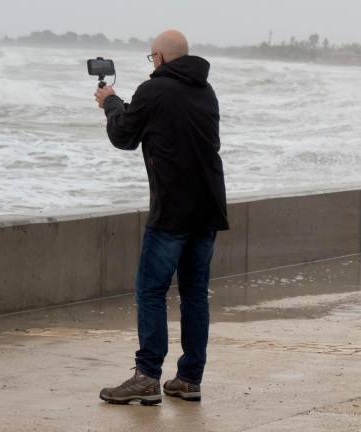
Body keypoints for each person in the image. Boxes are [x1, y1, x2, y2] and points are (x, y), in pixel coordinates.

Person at [93, 29, 229, 406]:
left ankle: (147, 376)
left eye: (152, 58)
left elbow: (123, 135)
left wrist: (110, 101)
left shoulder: (154, 91)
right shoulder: (206, 91)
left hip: (172, 211)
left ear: (161, 57)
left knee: (151, 291)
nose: (152, 64)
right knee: (194, 296)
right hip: (208, 209)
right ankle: (189, 378)